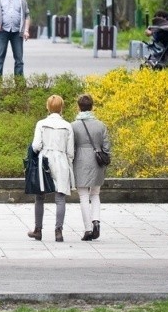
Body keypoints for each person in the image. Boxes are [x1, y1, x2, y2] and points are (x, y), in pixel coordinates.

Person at [28, 95, 75, 243]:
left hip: (45, 160)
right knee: (60, 197)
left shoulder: (41, 124)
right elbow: (70, 151)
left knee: (40, 196)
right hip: (61, 160)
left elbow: (36, 146)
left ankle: (38, 229)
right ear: (61, 108)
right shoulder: (67, 126)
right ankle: (58, 231)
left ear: (47, 107)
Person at [70, 94, 110, 241]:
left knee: (83, 196)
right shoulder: (101, 125)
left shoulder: (73, 126)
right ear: (92, 106)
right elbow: (107, 146)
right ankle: (96, 221)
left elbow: (71, 147)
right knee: (95, 194)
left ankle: (87, 229)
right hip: (97, 161)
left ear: (78, 107)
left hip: (80, 160)